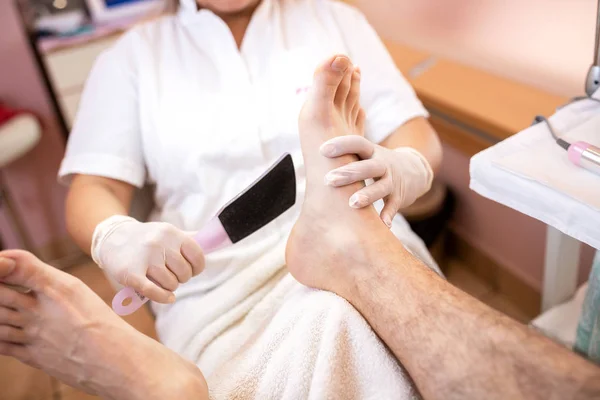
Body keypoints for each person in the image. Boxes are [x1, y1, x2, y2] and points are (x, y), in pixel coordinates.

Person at [1, 56, 599, 399]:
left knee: (345, 316)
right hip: (213, 285)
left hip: (365, 222)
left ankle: (172, 391)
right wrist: (116, 234)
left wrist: (407, 165)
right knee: (356, 322)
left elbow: (410, 127)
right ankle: (346, 248)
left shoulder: (330, 14)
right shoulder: (127, 58)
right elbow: (93, 186)